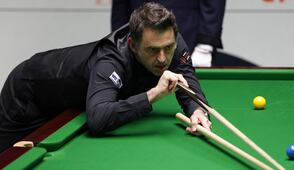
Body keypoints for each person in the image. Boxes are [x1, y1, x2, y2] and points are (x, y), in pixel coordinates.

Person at [0, 2, 211, 153]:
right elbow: (98, 120)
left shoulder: (169, 40)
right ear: (133, 46)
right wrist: (154, 94)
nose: (163, 58)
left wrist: (197, 110)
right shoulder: (110, 59)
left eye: (168, 47)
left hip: (68, 98)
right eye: (153, 50)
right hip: (27, 95)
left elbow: (186, 79)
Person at [111, 0, 226, 67]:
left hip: (188, 34)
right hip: (138, 39)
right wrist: (121, 43)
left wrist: (204, 46)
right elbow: (120, 5)